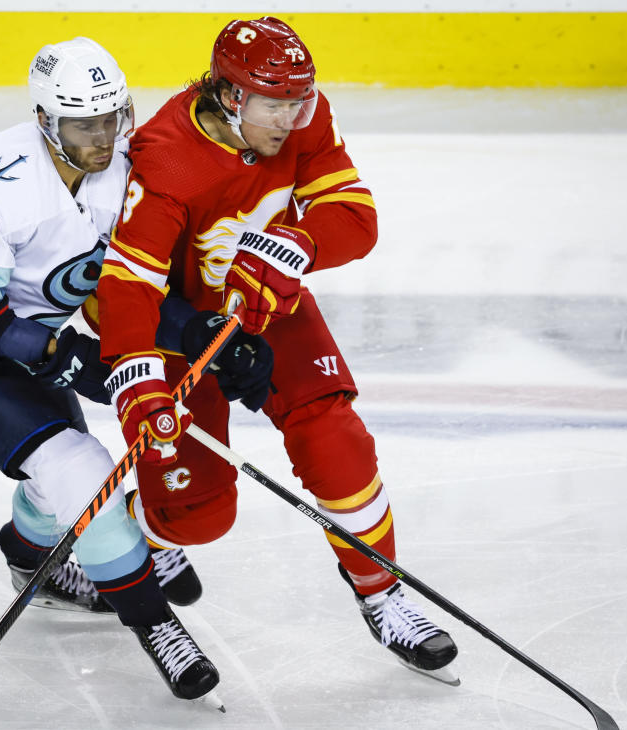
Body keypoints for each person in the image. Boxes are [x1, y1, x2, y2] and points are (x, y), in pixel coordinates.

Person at [95, 17, 460, 682]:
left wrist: (300, 243)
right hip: (182, 331)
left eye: (299, 101)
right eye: (274, 104)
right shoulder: (165, 156)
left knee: (336, 438)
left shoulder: (305, 114)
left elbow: (355, 217)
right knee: (198, 515)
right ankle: (134, 528)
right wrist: (136, 378)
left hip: (268, 300)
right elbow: (126, 285)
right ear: (231, 97)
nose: (290, 119)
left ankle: (382, 595)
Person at [0, 37, 218, 702]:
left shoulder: (125, 165)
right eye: (84, 124)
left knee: (59, 471)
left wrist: (195, 328)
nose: (103, 138)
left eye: (112, 117)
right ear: (46, 121)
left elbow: (135, 277)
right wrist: (66, 359)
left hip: (28, 339)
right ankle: (154, 622)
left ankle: (30, 555)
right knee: (79, 469)